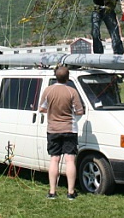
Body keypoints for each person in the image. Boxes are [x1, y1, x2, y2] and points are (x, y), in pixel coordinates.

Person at [39, 66, 85, 200]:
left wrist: (52, 112)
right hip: (70, 129)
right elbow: (79, 111)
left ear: (55, 76)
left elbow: (41, 109)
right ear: (68, 77)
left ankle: (52, 192)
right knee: (70, 160)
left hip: (53, 130)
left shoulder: (48, 90)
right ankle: (70, 192)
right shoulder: (72, 91)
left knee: (54, 159)